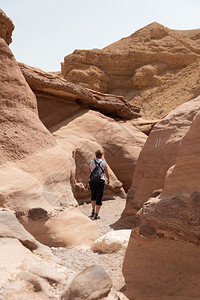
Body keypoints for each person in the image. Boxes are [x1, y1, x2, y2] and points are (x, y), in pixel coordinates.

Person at [85, 150, 109, 220]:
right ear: (101, 155)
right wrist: (108, 179)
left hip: (92, 181)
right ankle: (96, 214)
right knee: (99, 196)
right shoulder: (103, 163)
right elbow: (107, 173)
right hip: (101, 181)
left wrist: (86, 182)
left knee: (93, 195)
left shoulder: (91, 162)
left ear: (95, 155)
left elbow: (88, 172)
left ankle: (93, 210)